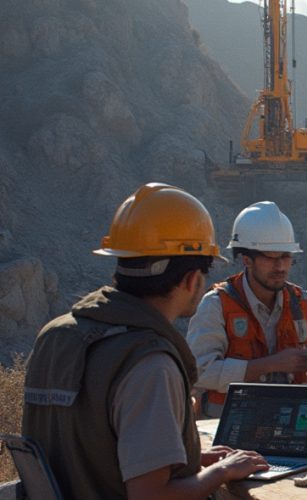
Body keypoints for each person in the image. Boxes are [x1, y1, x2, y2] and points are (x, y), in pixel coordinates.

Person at [22, 183, 268, 499]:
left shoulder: (56, 336)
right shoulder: (149, 363)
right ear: (192, 280)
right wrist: (222, 472)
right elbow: (150, 496)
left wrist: (192, 461)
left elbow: (91, 451)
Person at [188, 201, 307, 417]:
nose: (281, 267)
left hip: (289, 420)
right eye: (271, 258)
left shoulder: (302, 302)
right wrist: (268, 365)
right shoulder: (216, 305)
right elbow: (199, 372)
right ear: (247, 259)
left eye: (286, 257)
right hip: (225, 427)